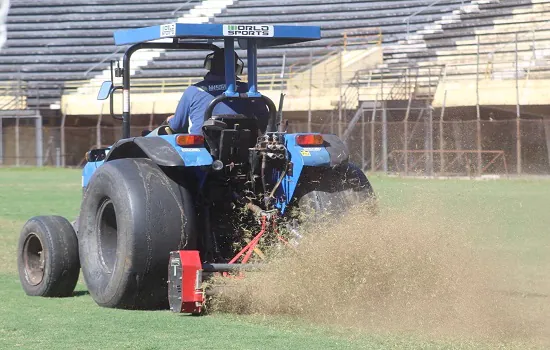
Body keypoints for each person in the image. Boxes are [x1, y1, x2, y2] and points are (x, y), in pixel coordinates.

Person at [167, 48, 269, 134]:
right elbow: (264, 121)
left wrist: (170, 120)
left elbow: (177, 126)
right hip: (245, 145)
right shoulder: (249, 91)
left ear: (210, 65)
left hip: (202, 148)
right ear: (237, 68)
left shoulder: (193, 91)